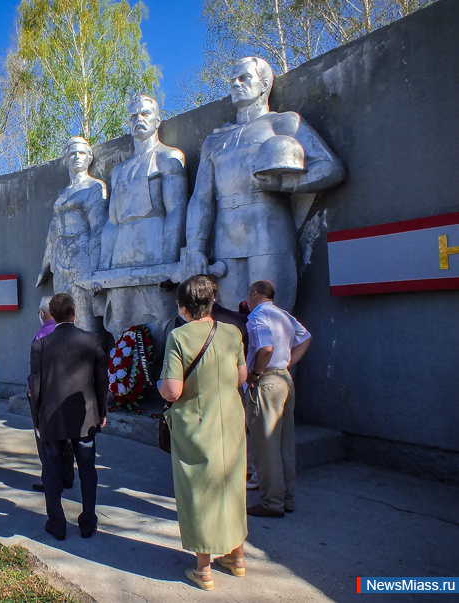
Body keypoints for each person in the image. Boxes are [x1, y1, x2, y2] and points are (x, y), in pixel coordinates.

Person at [180, 56, 345, 312]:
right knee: (232, 322)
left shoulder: (283, 122)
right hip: (226, 239)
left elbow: (330, 168)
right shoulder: (215, 140)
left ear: (264, 83)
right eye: (231, 80)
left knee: (271, 318)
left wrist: (284, 184)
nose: (235, 84)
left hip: (267, 232)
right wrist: (195, 248)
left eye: (244, 78)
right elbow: (201, 199)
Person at [159, 275, 248, 590]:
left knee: (199, 493)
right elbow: (241, 377)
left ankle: (203, 569)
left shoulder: (179, 337)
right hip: (232, 424)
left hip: (196, 425)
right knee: (232, 488)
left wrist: (159, 384)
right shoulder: (232, 333)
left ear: (183, 307)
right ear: (212, 302)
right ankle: (237, 557)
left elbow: (172, 390)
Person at [93, 93, 188, 338]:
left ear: (158, 119)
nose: (139, 119)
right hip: (121, 254)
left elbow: (176, 211)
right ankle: (124, 376)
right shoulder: (119, 170)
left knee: (162, 321)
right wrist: (104, 268)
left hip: (155, 247)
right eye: (133, 115)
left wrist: (168, 260)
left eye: (145, 113)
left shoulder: (169, 157)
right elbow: (112, 222)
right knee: (121, 325)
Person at [29, 293, 108, 540]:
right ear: (74, 312)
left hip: (52, 418)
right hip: (85, 418)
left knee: (51, 471)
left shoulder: (40, 345)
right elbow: (102, 382)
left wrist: (37, 420)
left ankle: (57, 522)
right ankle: (88, 521)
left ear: (51, 314)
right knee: (87, 470)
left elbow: (36, 387)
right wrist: (102, 412)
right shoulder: (92, 341)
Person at [244, 279, 312, 518]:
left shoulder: (258, 316)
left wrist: (255, 373)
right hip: (284, 378)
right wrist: (288, 363)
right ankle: (286, 498)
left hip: (267, 382)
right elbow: (305, 337)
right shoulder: (283, 315)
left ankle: (272, 502)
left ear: (254, 294)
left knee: (265, 446)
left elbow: (266, 349)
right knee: (284, 442)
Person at [36, 136, 108, 333]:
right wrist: (46, 264)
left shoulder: (95, 187)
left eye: (82, 153)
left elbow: (99, 228)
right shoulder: (64, 191)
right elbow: (53, 229)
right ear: (65, 159)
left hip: (82, 260)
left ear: (90, 157)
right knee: (63, 320)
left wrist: (95, 269)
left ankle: (91, 363)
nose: (77, 157)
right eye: (72, 153)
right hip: (60, 262)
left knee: (85, 321)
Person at [28, 296, 75, 494]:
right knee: (68, 440)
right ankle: (67, 476)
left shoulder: (41, 336)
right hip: (71, 394)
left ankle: (50, 480)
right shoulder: (75, 333)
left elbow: (36, 372)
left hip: (47, 397)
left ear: (42, 314)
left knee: (46, 441)